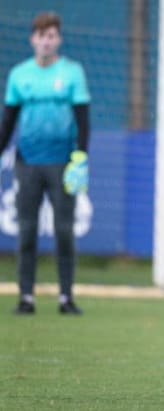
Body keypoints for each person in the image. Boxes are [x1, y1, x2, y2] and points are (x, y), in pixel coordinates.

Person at [0, 12, 91, 315]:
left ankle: (66, 297)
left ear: (58, 39)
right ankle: (26, 297)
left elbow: (83, 119)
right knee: (26, 231)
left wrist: (80, 156)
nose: (46, 41)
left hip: (62, 163)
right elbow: (8, 122)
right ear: (33, 39)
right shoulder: (19, 75)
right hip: (28, 163)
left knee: (64, 231)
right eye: (41, 35)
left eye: (51, 35)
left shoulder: (72, 72)